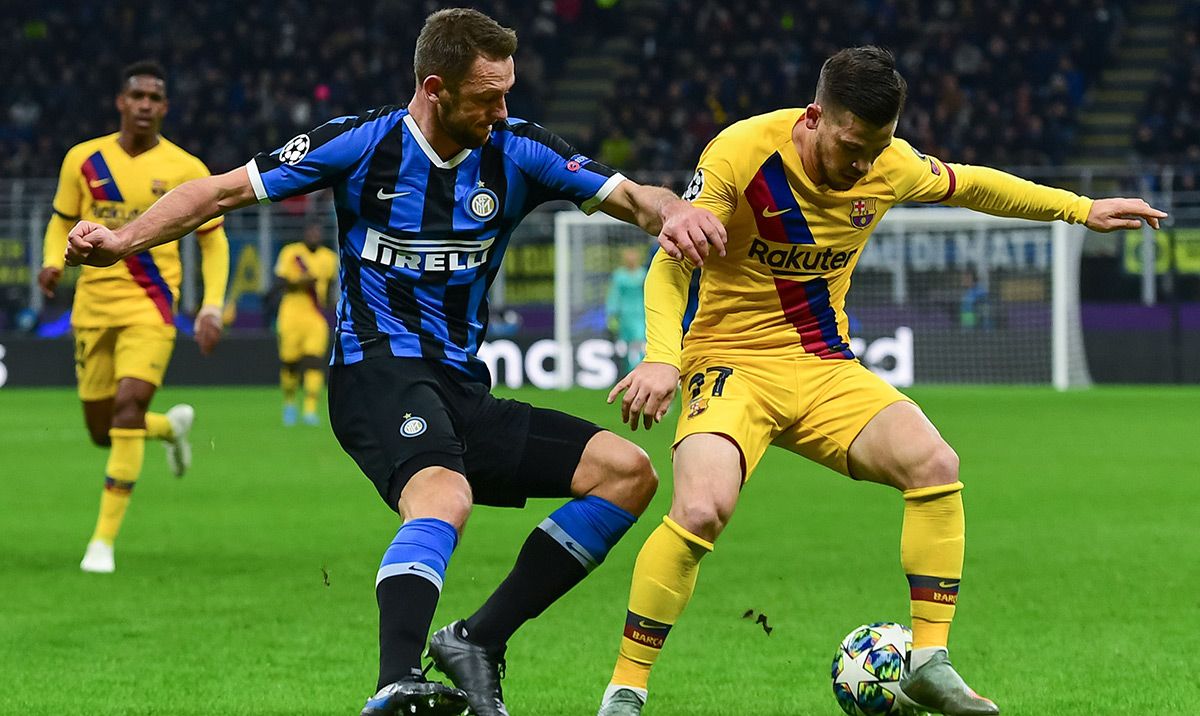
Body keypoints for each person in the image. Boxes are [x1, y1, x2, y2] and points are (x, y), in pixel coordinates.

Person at [63, 9, 726, 716]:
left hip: (461, 386)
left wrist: (673, 213)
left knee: (627, 475)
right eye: (486, 98)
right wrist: (124, 240)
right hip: (372, 368)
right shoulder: (361, 142)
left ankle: (479, 639)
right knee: (444, 496)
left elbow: (633, 197)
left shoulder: (520, 150)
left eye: (507, 94)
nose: (502, 112)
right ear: (434, 88)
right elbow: (218, 190)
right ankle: (394, 682)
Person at [598, 46, 1165, 716]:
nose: (864, 165)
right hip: (730, 364)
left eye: (879, 148)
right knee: (699, 509)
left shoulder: (886, 164)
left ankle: (928, 662)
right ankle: (626, 689)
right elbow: (671, 264)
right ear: (814, 118)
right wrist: (663, 355)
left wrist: (1079, 209)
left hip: (824, 366)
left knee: (935, 463)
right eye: (853, 147)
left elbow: (977, 184)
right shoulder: (741, 153)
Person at [39, 60, 229, 574]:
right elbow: (60, 224)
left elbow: (214, 243)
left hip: (150, 305)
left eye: (155, 97)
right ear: (121, 102)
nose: (145, 104)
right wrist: (52, 263)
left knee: (126, 409)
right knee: (103, 430)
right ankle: (169, 429)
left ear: (165, 107)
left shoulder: (188, 168)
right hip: (92, 309)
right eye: (137, 95)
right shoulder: (84, 160)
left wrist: (211, 304)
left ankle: (101, 543)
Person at [272, 223, 338, 426]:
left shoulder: (329, 258)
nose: (314, 234)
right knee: (290, 363)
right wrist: (303, 281)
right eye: (310, 231)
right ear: (304, 234)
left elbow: (331, 286)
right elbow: (280, 282)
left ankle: (310, 409)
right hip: (291, 314)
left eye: (317, 231)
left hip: (315, 316)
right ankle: (290, 403)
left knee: (314, 361)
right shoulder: (292, 253)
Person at [606, 246, 648, 374]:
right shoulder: (619, 275)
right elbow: (614, 295)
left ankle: (639, 371)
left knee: (639, 341)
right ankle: (629, 372)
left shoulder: (643, 273)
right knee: (627, 345)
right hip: (625, 314)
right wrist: (612, 314)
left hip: (640, 313)